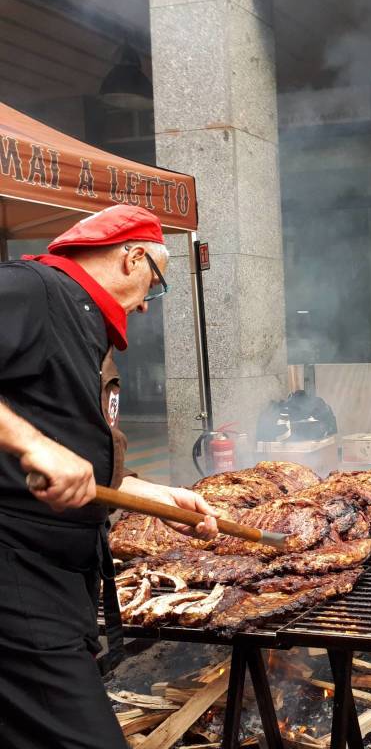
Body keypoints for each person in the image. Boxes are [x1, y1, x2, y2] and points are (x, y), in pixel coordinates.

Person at [0, 204, 220, 749]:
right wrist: (34, 446)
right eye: (156, 284)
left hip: (54, 579)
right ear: (133, 256)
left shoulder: (83, 323)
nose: (148, 303)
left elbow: (73, 447)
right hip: (17, 575)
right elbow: (44, 445)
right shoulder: (34, 290)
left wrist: (147, 492)